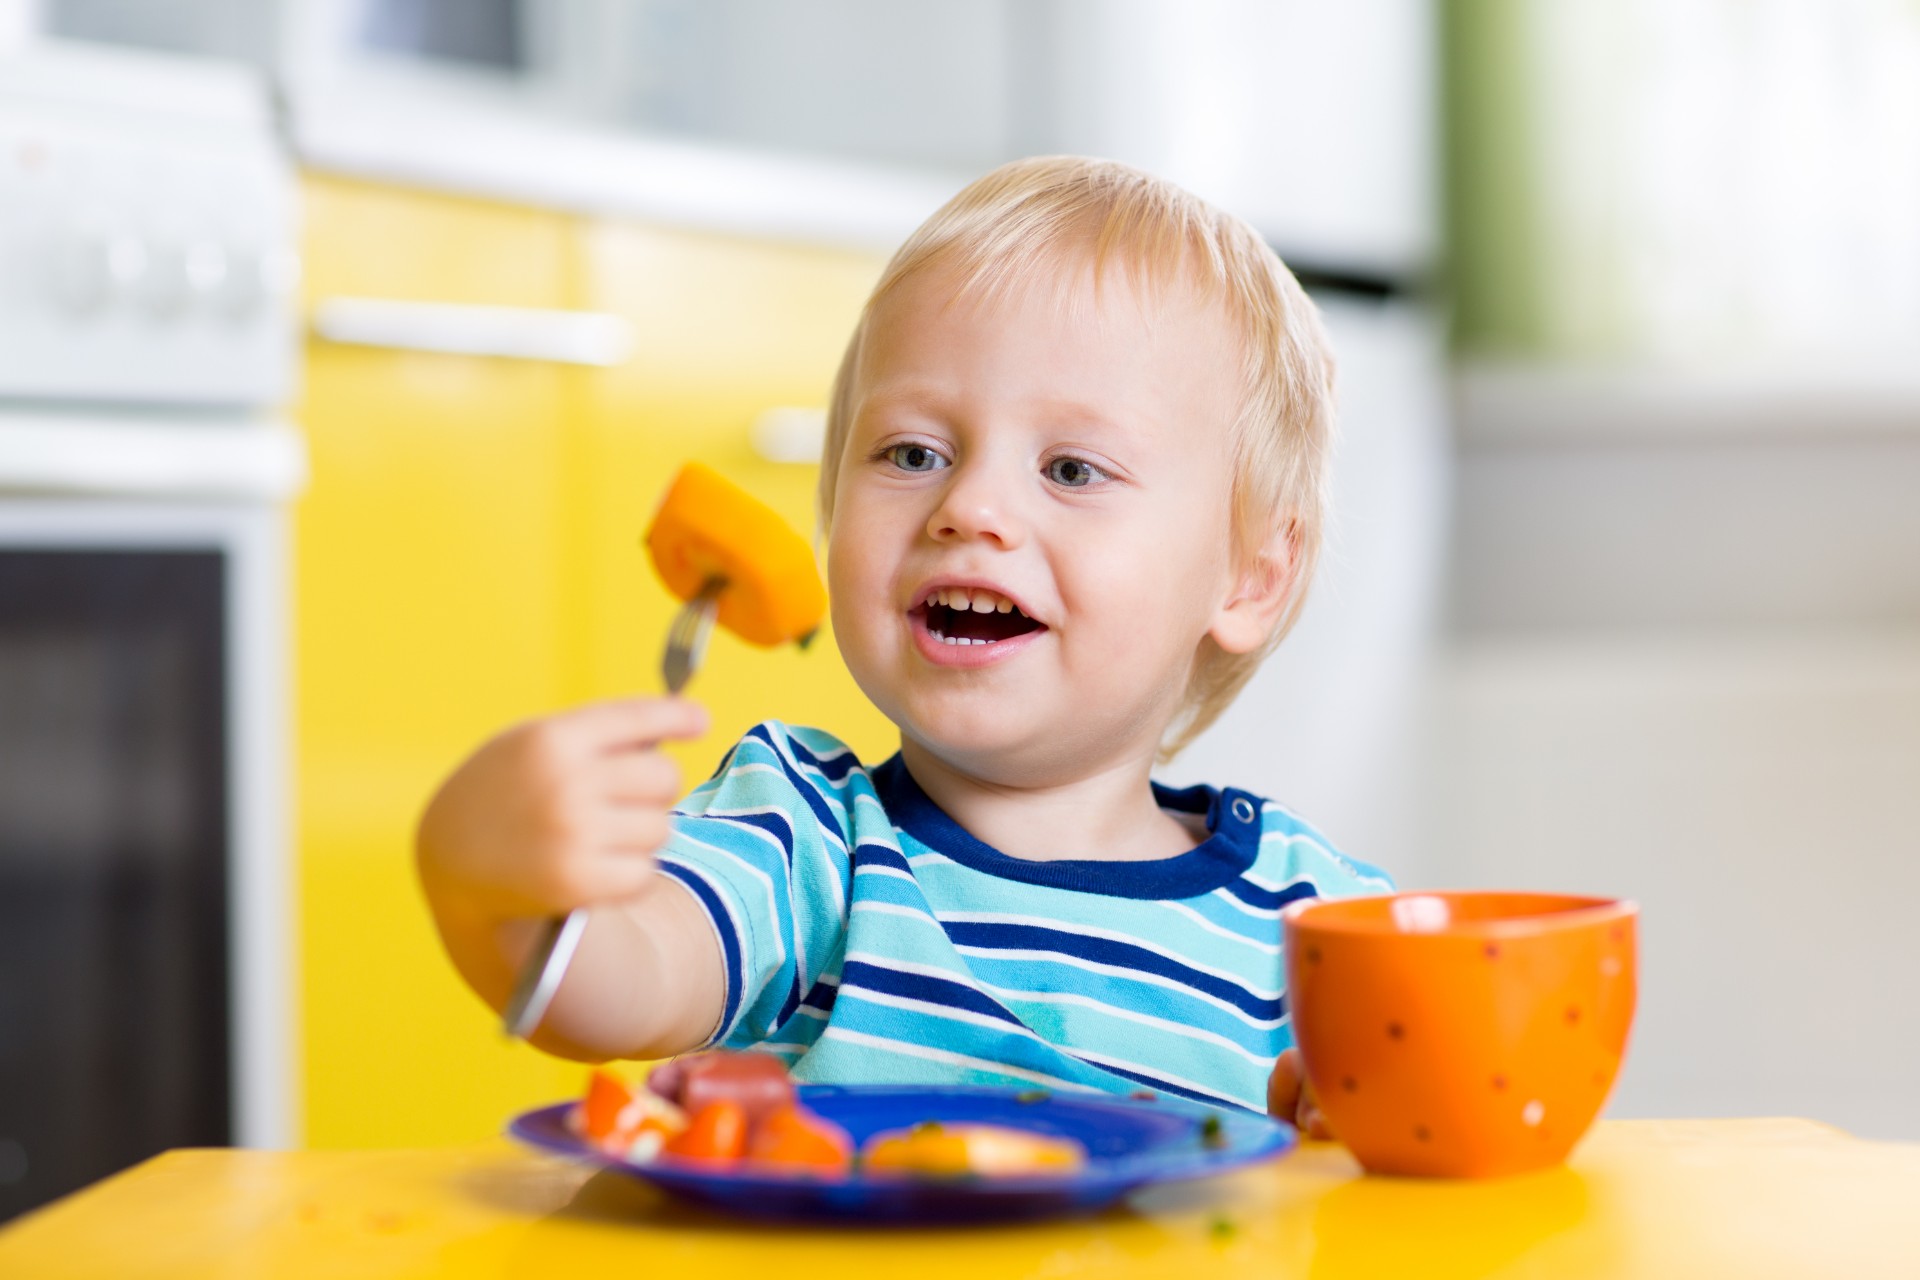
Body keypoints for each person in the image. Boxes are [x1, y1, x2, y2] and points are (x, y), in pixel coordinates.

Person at [417, 156, 1390, 1130]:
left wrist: (1367, 1137)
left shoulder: (1318, 929)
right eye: (913, 453)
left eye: (1071, 468)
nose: (969, 506)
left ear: (1251, 574)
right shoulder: (803, 841)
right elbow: (623, 975)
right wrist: (492, 885)